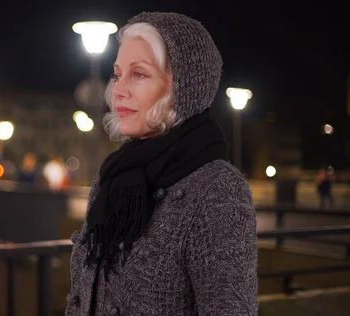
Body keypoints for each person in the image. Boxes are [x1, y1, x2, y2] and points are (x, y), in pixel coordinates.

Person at [65, 12, 258, 316]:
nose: (118, 90)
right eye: (117, 75)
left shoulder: (218, 189)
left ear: (183, 87)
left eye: (138, 74)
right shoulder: (113, 175)